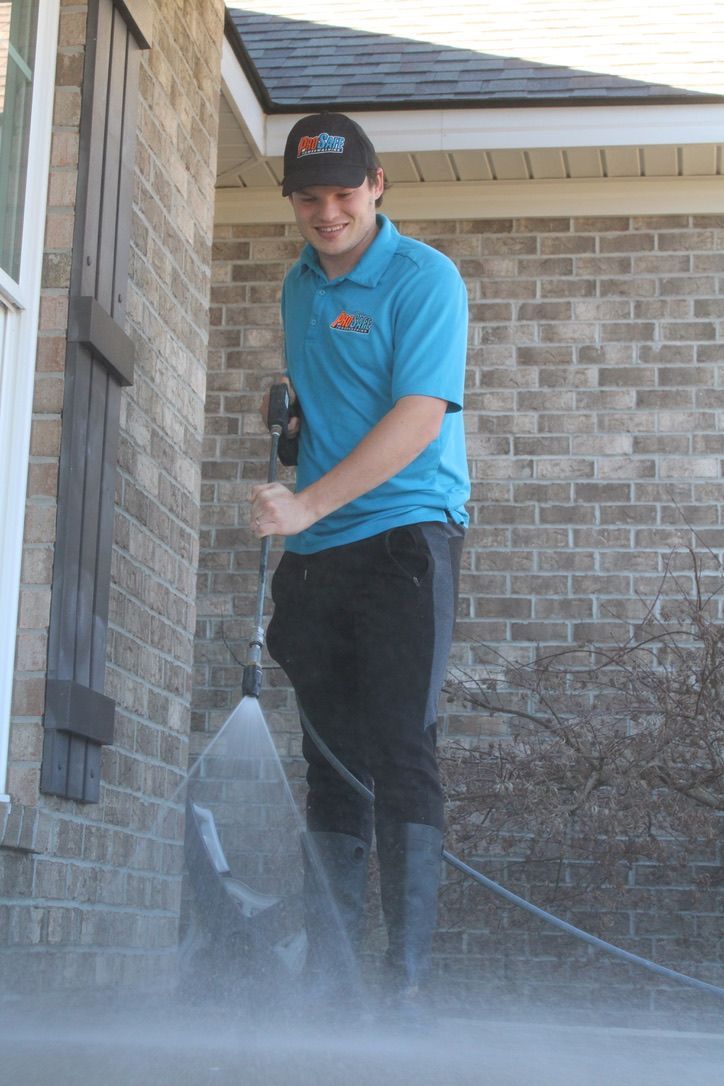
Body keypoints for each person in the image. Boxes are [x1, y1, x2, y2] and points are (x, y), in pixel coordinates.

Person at [250, 112, 470, 1013]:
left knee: (400, 748)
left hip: (404, 541)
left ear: (378, 185)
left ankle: (403, 985)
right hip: (318, 552)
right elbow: (338, 399)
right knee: (330, 759)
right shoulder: (299, 289)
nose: (328, 213)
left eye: (345, 193)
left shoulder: (425, 278)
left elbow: (420, 417)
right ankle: (333, 988)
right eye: (311, 198)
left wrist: (307, 501)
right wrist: (297, 435)